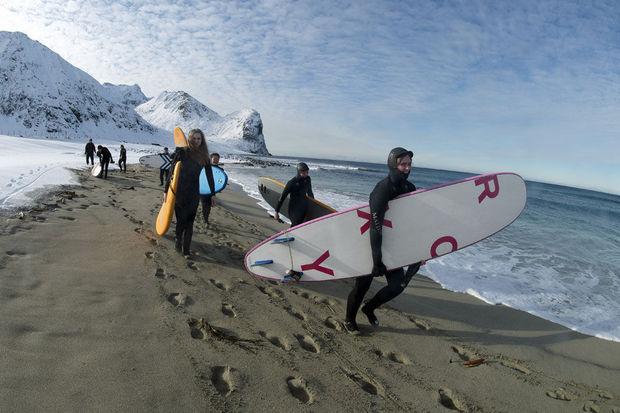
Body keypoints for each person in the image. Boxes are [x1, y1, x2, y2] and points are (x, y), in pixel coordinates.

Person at [344, 147, 423, 334]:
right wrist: (376, 259)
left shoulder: (409, 188)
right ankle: (349, 319)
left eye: (409, 164)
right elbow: (375, 226)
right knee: (362, 285)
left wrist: (420, 250)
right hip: (372, 243)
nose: (407, 167)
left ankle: (369, 308)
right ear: (393, 164)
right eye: (403, 164)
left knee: (398, 286)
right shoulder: (382, 189)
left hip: (394, 245)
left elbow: (412, 223)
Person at [164, 129, 215, 257]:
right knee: (181, 221)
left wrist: (213, 194)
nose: (196, 141)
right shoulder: (182, 152)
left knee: (190, 222)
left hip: (193, 193)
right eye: (194, 138)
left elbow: (209, 176)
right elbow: (171, 171)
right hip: (179, 191)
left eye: (199, 139)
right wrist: (166, 190)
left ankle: (186, 249)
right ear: (189, 139)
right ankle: (177, 240)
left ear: (202, 140)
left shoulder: (204, 156)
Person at [274, 162, 314, 227]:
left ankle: (292, 235)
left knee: (301, 226)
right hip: (294, 209)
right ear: (299, 172)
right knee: (295, 225)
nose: (306, 174)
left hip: (304, 207)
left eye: (307, 172)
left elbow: (310, 192)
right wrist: (276, 212)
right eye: (304, 173)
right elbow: (282, 197)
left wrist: (313, 205)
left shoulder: (307, 179)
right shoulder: (291, 183)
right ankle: (289, 235)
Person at [200, 152, 220, 226]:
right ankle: (205, 219)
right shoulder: (205, 167)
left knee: (208, 206)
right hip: (203, 189)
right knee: (205, 205)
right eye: (214, 158)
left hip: (212, 191)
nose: (216, 160)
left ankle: (206, 217)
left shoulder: (220, 170)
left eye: (217, 159)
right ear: (211, 159)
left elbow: (220, 181)